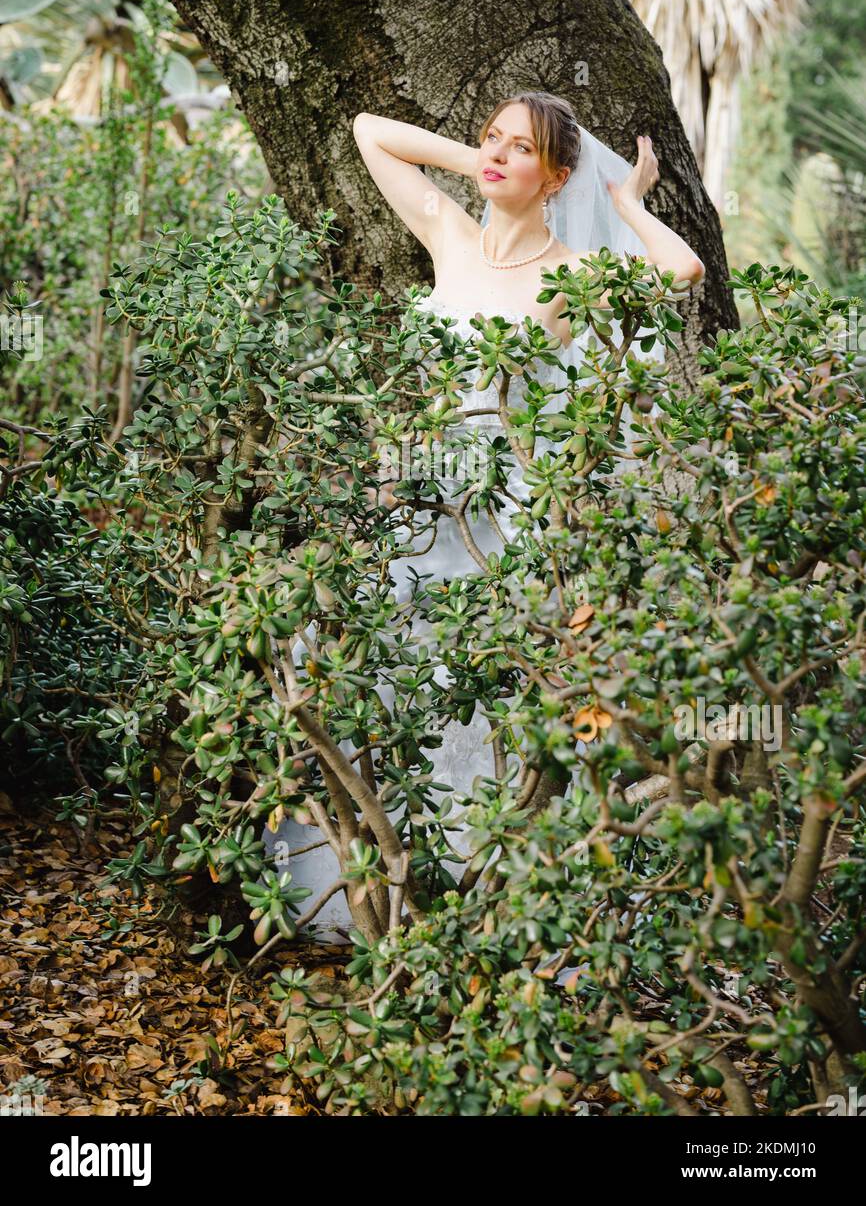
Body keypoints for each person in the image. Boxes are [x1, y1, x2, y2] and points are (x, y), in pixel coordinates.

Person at [263, 91, 705, 941]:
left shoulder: (575, 272)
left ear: (559, 176)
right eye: (490, 138)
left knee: (478, 693)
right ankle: (378, 888)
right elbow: (368, 131)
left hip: (500, 516)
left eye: (520, 148)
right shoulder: (449, 236)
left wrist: (627, 204)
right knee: (368, 672)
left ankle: (490, 904)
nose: (496, 153)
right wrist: (479, 164)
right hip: (412, 496)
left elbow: (681, 273)